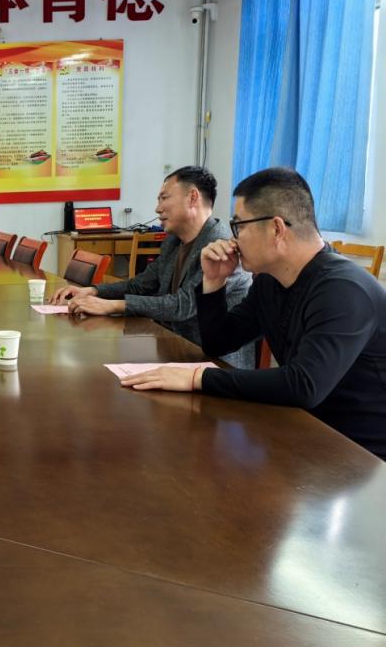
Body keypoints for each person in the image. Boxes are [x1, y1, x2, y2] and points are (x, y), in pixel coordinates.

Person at [122, 167, 386, 459]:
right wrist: (214, 282)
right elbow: (219, 342)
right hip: (306, 433)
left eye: (239, 226)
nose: (233, 240)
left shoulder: (343, 290)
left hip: (363, 455)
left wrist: (198, 378)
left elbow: (304, 384)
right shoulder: (270, 282)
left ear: (276, 228)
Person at [49, 166, 254, 368]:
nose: (157, 209)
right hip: (170, 349)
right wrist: (93, 291)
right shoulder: (173, 241)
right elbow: (141, 285)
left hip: (211, 362)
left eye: (164, 198)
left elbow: (183, 306)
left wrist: (113, 305)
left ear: (192, 198)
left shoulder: (220, 247)